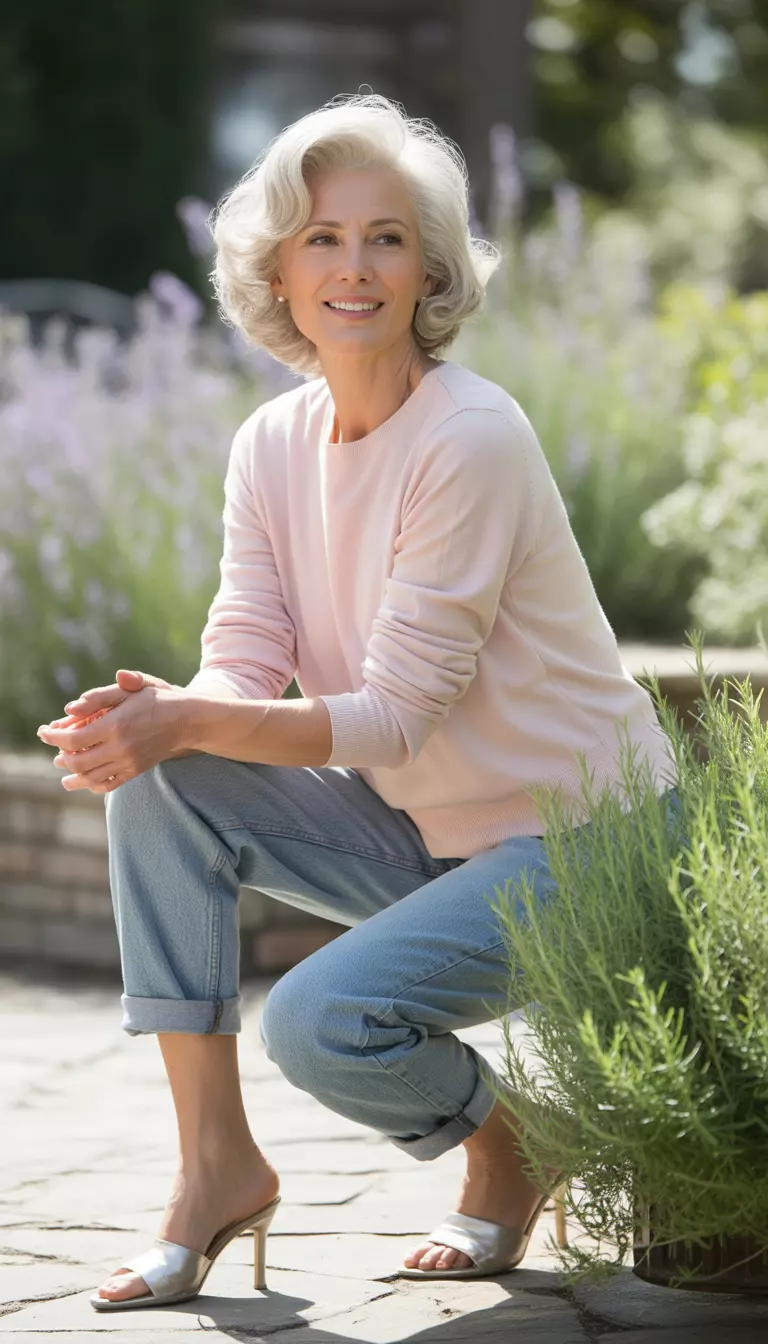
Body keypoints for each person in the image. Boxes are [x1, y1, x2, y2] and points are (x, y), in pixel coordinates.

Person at [36, 93, 678, 1312]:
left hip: (586, 844)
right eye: (323, 238)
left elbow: (390, 717)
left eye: (387, 237)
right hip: (436, 842)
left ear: (430, 265)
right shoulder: (272, 440)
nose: (355, 266)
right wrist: (167, 714)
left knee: (322, 1021)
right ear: (276, 266)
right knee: (159, 784)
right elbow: (245, 654)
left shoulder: (470, 439)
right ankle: (213, 1168)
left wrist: (192, 716)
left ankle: (510, 1144)